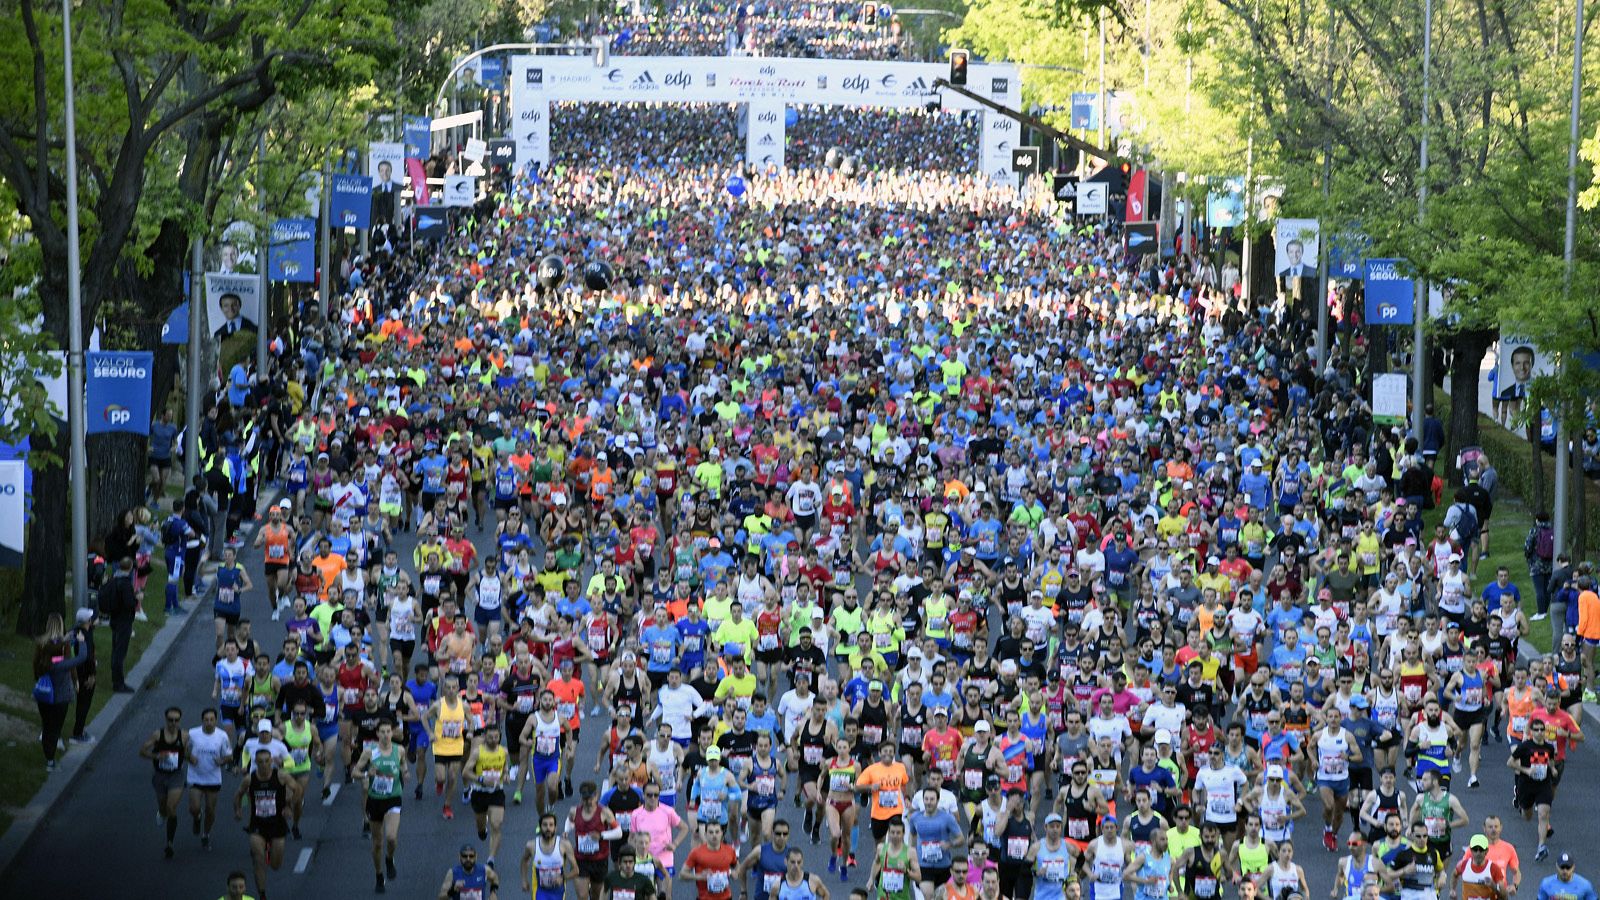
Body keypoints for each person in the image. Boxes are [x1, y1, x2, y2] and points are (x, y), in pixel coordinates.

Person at [234, 747, 297, 900]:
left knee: (275, 865)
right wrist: (238, 810)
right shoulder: (250, 779)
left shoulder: (281, 776)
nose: (263, 764)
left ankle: (270, 852)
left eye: (267, 761)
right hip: (257, 824)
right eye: (260, 761)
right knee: (258, 859)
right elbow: (238, 794)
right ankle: (262, 894)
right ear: (255, 762)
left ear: (272, 762)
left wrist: (289, 806)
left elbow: (297, 789)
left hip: (277, 824)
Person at [351, 718, 405, 893]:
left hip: (393, 798)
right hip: (375, 800)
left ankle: (389, 859)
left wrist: (405, 772)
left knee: (391, 837)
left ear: (392, 733)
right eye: (382, 732)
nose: (386, 735)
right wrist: (367, 773)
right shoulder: (370, 752)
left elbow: (403, 767)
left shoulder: (399, 750)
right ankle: (379, 875)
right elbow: (355, 772)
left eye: (389, 731)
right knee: (377, 843)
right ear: (377, 734)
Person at [33, 611, 88, 771]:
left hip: (43, 696)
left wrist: (66, 638)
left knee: (47, 726)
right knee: (54, 729)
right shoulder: (60, 665)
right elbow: (80, 658)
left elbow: (52, 646)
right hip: (59, 698)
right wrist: (81, 641)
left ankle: (48, 757)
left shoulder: (43, 652)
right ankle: (50, 759)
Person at [140, 706, 192, 858]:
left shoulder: (184, 736)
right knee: (163, 807)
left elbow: (188, 752)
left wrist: (191, 758)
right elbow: (142, 751)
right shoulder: (158, 735)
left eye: (176, 720)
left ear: (180, 721)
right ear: (166, 719)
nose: (173, 723)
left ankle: (169, 843)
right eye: (170, 720)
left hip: (177, 775)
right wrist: (156, 757)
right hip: (160, 775)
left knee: (171, 807)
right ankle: (161, 812)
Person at [1507, 718, 1558, 861]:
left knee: (1543, 814)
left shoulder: (1549, 747)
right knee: (1527, 816)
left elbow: (1551, 761)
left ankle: (1541, 846)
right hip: (1526, 785)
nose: (1540, 732)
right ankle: (1522, 806)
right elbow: (1510, 763)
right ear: (1531, 732)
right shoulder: (1524, 747)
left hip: (1543, 785)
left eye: (1542, 729)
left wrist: (1553, 769)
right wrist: (1527, 770)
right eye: (1536, 730)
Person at [188, 707, 233, 850]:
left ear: (215, 721)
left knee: (210, 810)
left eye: (212, 720)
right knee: (194, 808)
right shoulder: (192, 734)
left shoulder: (222, 736)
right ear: (202, 721)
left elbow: (229, 755)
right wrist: (189, 757)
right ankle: (197, 817)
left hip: (213, 778)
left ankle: (206, 834)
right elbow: (182, 749)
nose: (209, 722)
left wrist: (222, 761)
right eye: (206, 720)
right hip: (196, 776)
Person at [100, 556, 140, 692]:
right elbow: (129, 604)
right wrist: (137, 599)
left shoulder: (113, 580)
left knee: (115, 649)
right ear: (130, 568)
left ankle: (116, 680)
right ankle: (118, 683)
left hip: (115, 619)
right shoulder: (126, 584)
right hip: (124, 620)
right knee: (120, 653)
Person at [522, 812, 576, 900]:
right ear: (540, 827)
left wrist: (562, 878)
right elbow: (524, 861)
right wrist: (524, 880)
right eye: (545, 825)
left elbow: (576, 870)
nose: (548, 828)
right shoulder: (531, 845)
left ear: (555, 827)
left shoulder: (564, 845)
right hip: (539, 890)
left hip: (558, 891)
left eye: (551, 825)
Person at [68, 607, 98, 743]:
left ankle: (78, 730)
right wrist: (92, 675)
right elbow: (89, 658)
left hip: (75, 672)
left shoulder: (74, 632)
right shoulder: (86, 636)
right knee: (84, 704)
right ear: (88, 621)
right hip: (85, 675)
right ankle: (78, 733)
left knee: (81, 702)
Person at [1452, 834, 1509, 900]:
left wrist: (1494, 886)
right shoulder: (1463, 865)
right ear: (1470, 850)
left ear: (1486, 851)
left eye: (1481, 850)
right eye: (1475, 849)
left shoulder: (1493, 868)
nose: (1478, 853)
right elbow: (1454, 875)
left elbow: (1504, 897)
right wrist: (1452, 890)